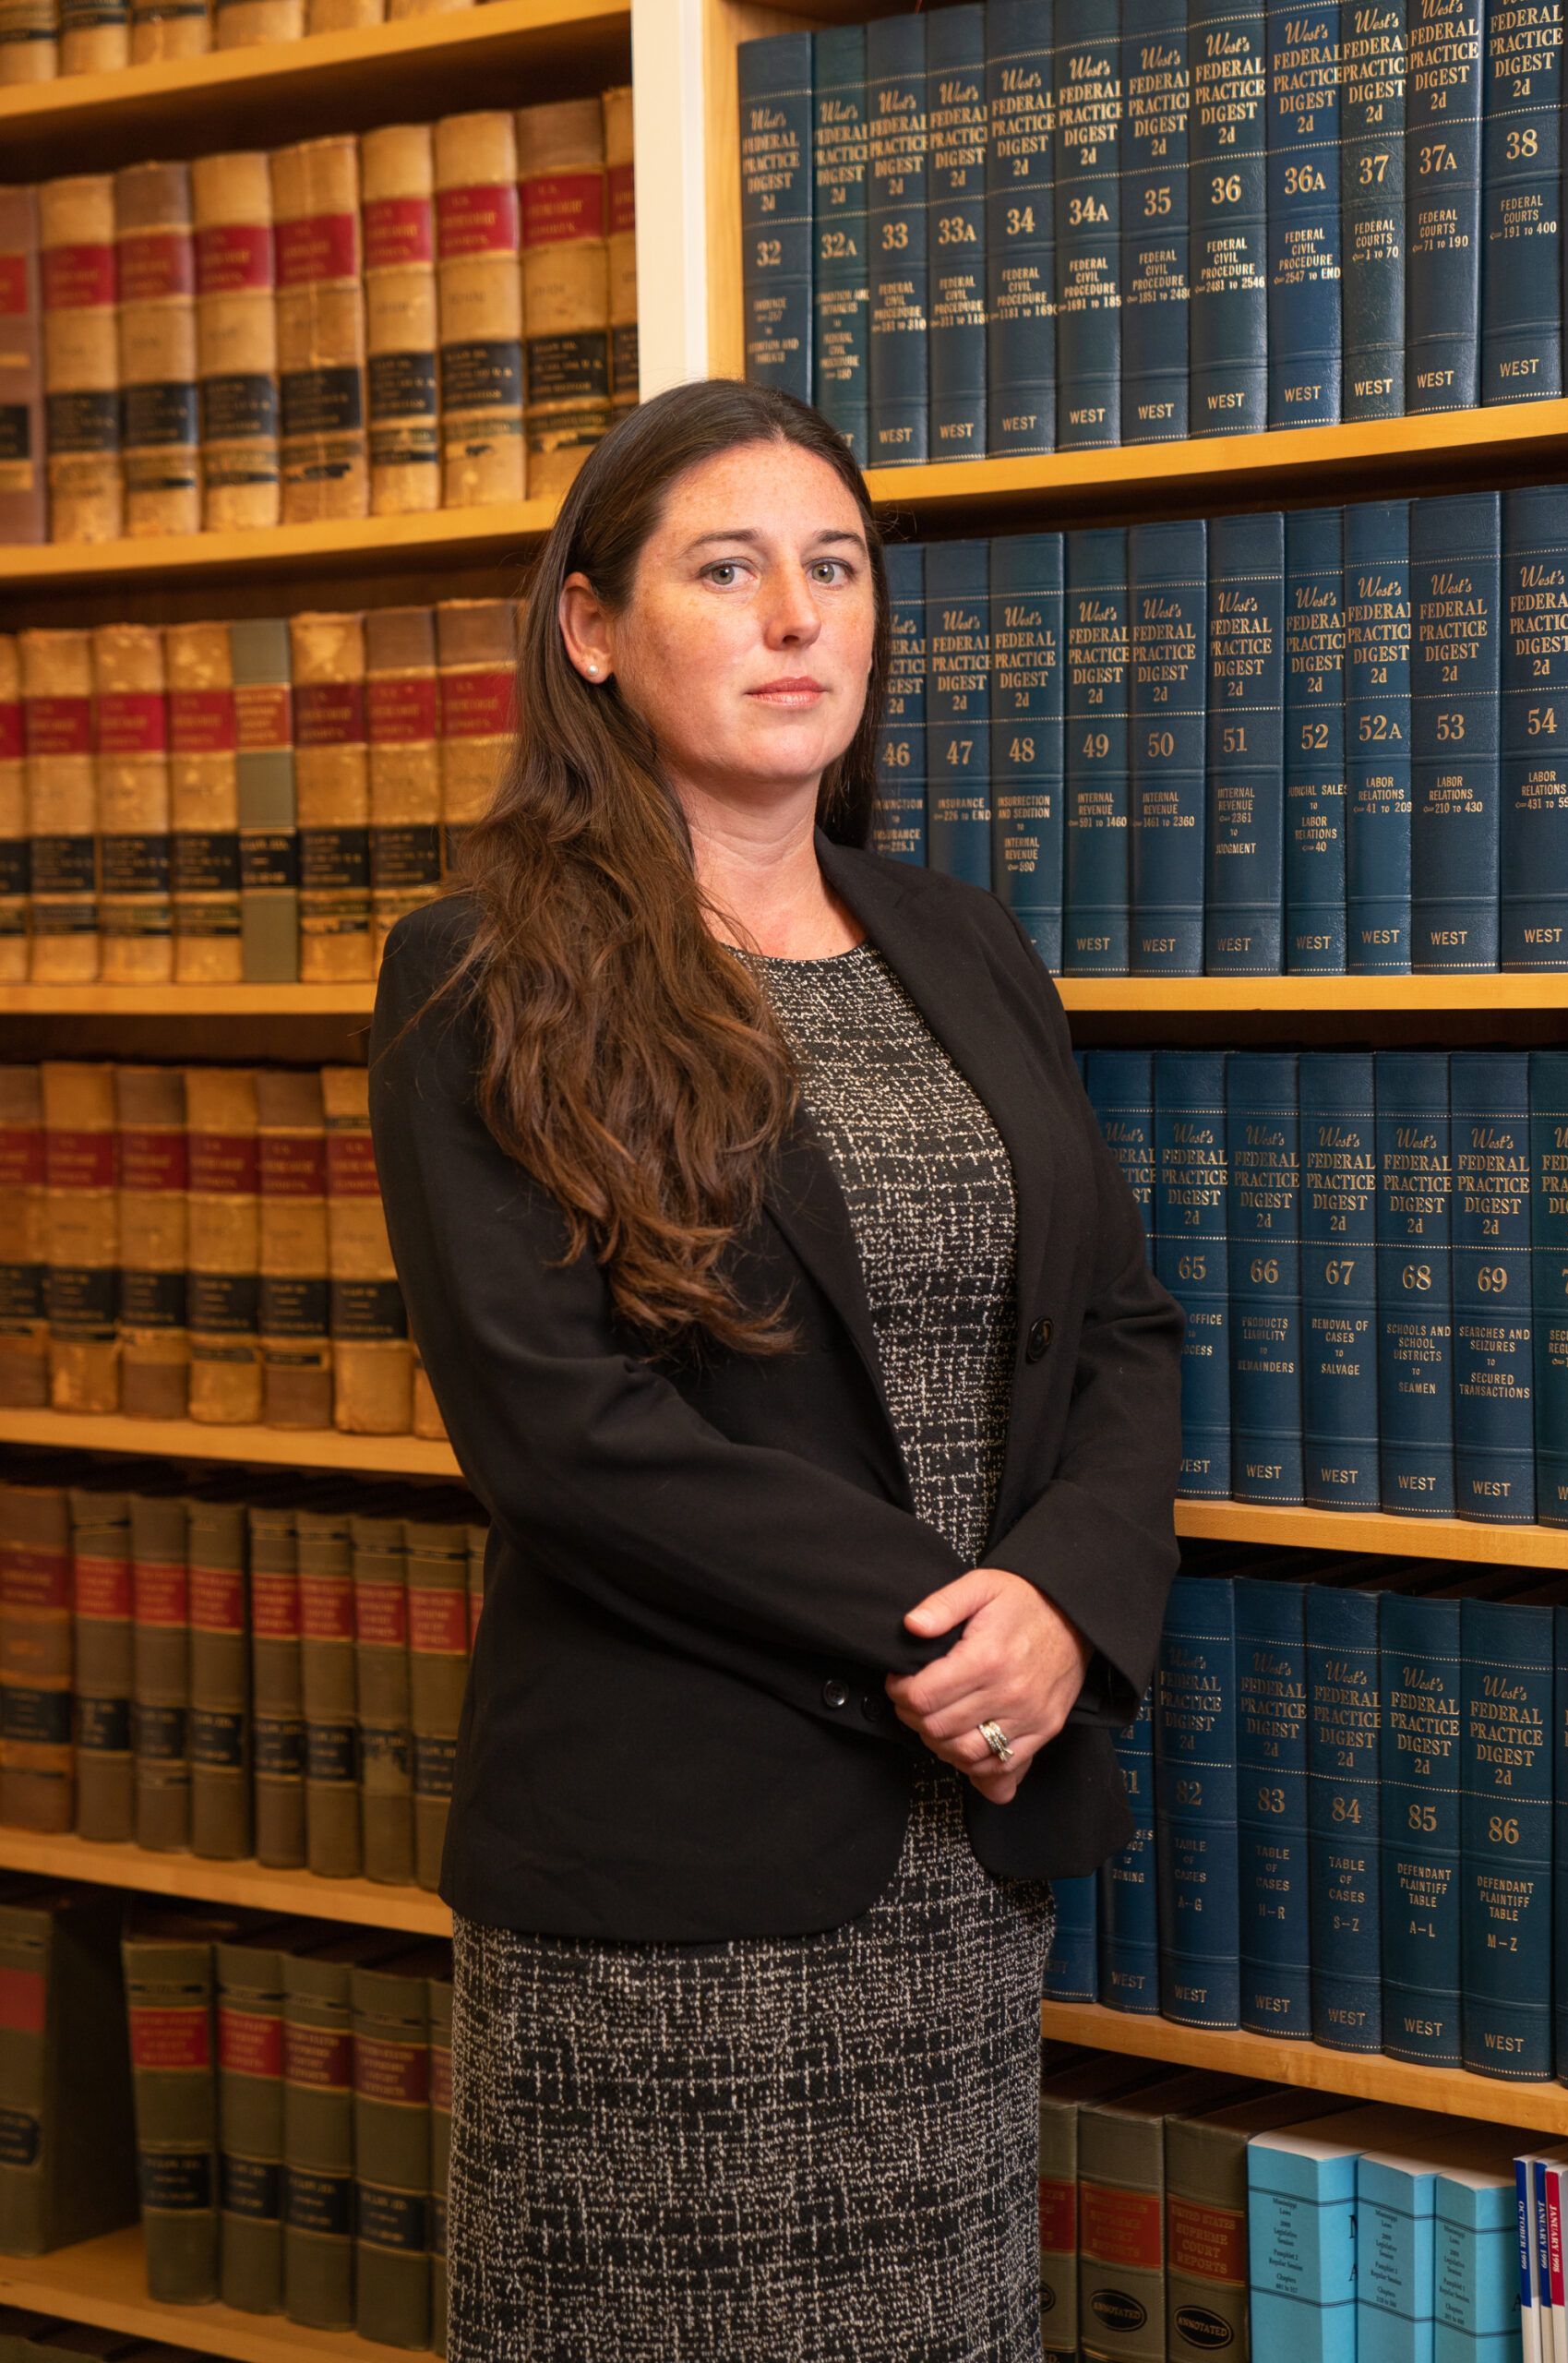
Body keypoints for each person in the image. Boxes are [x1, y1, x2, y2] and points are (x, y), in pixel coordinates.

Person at [367, 377, 1184, 2363]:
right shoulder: (486, 964)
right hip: (676, 1878)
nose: (796, 617)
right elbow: (561, 1428)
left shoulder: (960, 941)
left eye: (832, 568)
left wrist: (1063, 1608)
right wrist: (948, 1633)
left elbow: (1120, 1334)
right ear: (590, 624)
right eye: (725, 570)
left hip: (959, 1867)